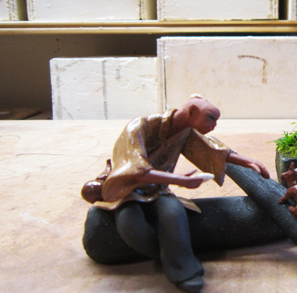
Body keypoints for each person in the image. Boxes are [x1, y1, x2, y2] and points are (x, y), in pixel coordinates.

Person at [84, 95, 270, 292]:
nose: (214, 125)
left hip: (158, 190)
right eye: (210, 118)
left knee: (173, 213)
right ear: (192, 112)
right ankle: (168, 257)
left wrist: (248, 161)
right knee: (130, 224)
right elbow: (136, 170)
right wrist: (180, 180)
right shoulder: (139, 127)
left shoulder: (185, 131)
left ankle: (184, 270)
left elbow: (212, 149)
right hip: (127, 190)